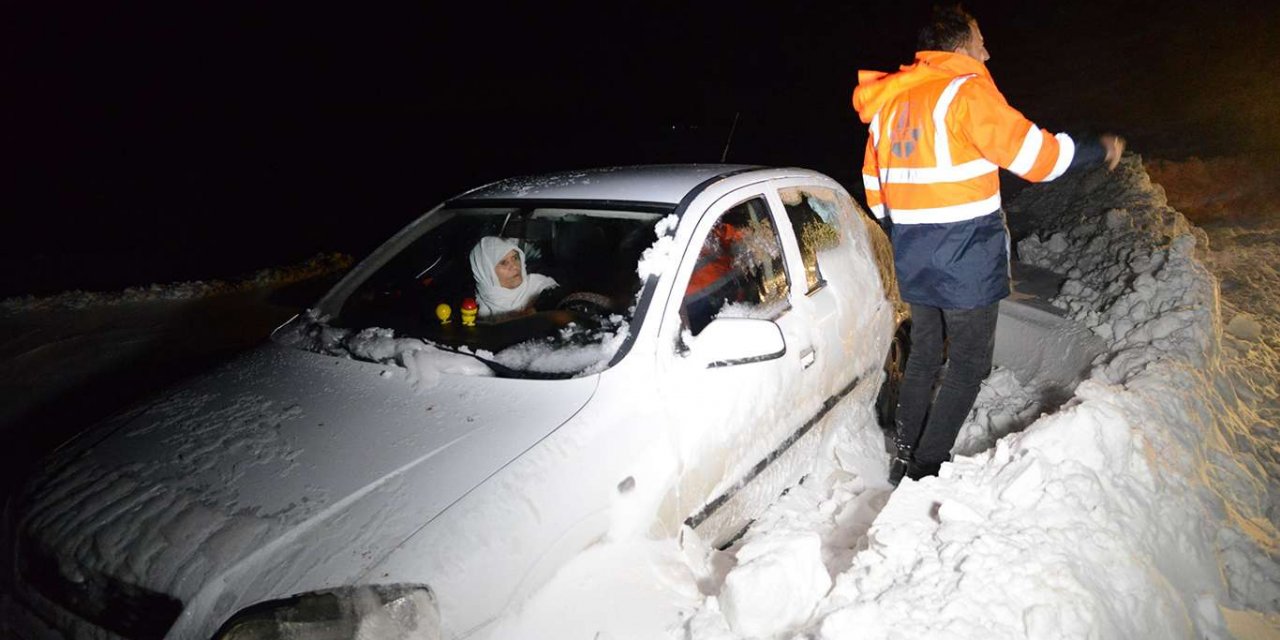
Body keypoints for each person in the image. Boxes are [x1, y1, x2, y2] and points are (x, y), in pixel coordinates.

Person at [852, 3, 1125, 485]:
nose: (987, 50)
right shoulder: (965, 92)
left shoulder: (891, 104)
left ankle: (903, 452)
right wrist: (1095, 149)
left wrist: (910, 232)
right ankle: (925, 467)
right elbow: (1037, 158)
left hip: (914, 253)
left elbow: (876, 190)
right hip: (964, 256)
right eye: (980, 40)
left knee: (924, 354)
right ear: (958, 45)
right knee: (969, 363)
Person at [469, 236, 558, 320]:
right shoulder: (473, 309)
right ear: (486, 272)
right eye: (504, 262)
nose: (514, 266)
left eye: (515, 258)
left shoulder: (541, 288)